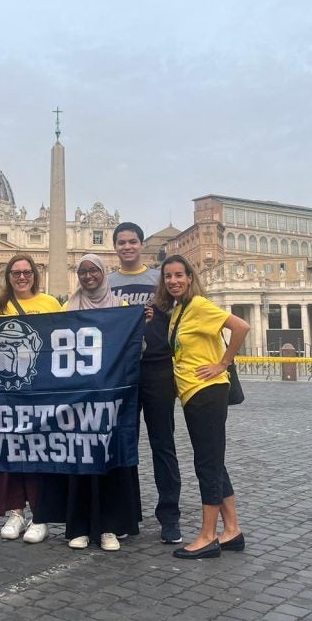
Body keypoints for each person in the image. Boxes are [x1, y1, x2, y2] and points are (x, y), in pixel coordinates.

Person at [34, 254, 142, 551]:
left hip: (111, 397)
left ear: (103, 273)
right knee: (78, 459)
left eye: (93, 270)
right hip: (77, 398)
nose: (88, 276)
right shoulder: (69, 307)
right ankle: (78, 526)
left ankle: (109, 526)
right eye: (82, 272)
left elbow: (136, 347)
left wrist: (140, 323)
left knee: (110, 459)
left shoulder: (121, 307)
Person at [154, 254, 249, 559]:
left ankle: (208, 536)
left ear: (191, 277)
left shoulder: (199, 306)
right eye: (168, 276)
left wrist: (223, 363)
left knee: (206, 464)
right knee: (214, 461)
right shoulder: (178, 309)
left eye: (179, 275)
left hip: (206, 391)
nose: (174, 281)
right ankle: (231, 530)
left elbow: (241, 326)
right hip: (193, 393)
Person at [108, 221, 182, 544]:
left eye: (133, 241)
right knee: (124, 444)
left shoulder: (158, 279)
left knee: (163, 444)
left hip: (157, 368)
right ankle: (126, 515)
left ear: (141, 245)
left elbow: (178, 318)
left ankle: (170, 517)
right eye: (122, 242)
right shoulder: (106, 282)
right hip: (121, 371)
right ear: (115, 247)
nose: (127, 247)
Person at [0, 254, 62, 544]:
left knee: (40, 450)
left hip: (41, 391)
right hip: (6, 392)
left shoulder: (51, 304)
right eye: (15, 273)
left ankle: (40, 514)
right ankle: (16, 511)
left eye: (27, 272)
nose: (21, 277)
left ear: (36, 274)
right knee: (11, 449)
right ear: (8, 276)